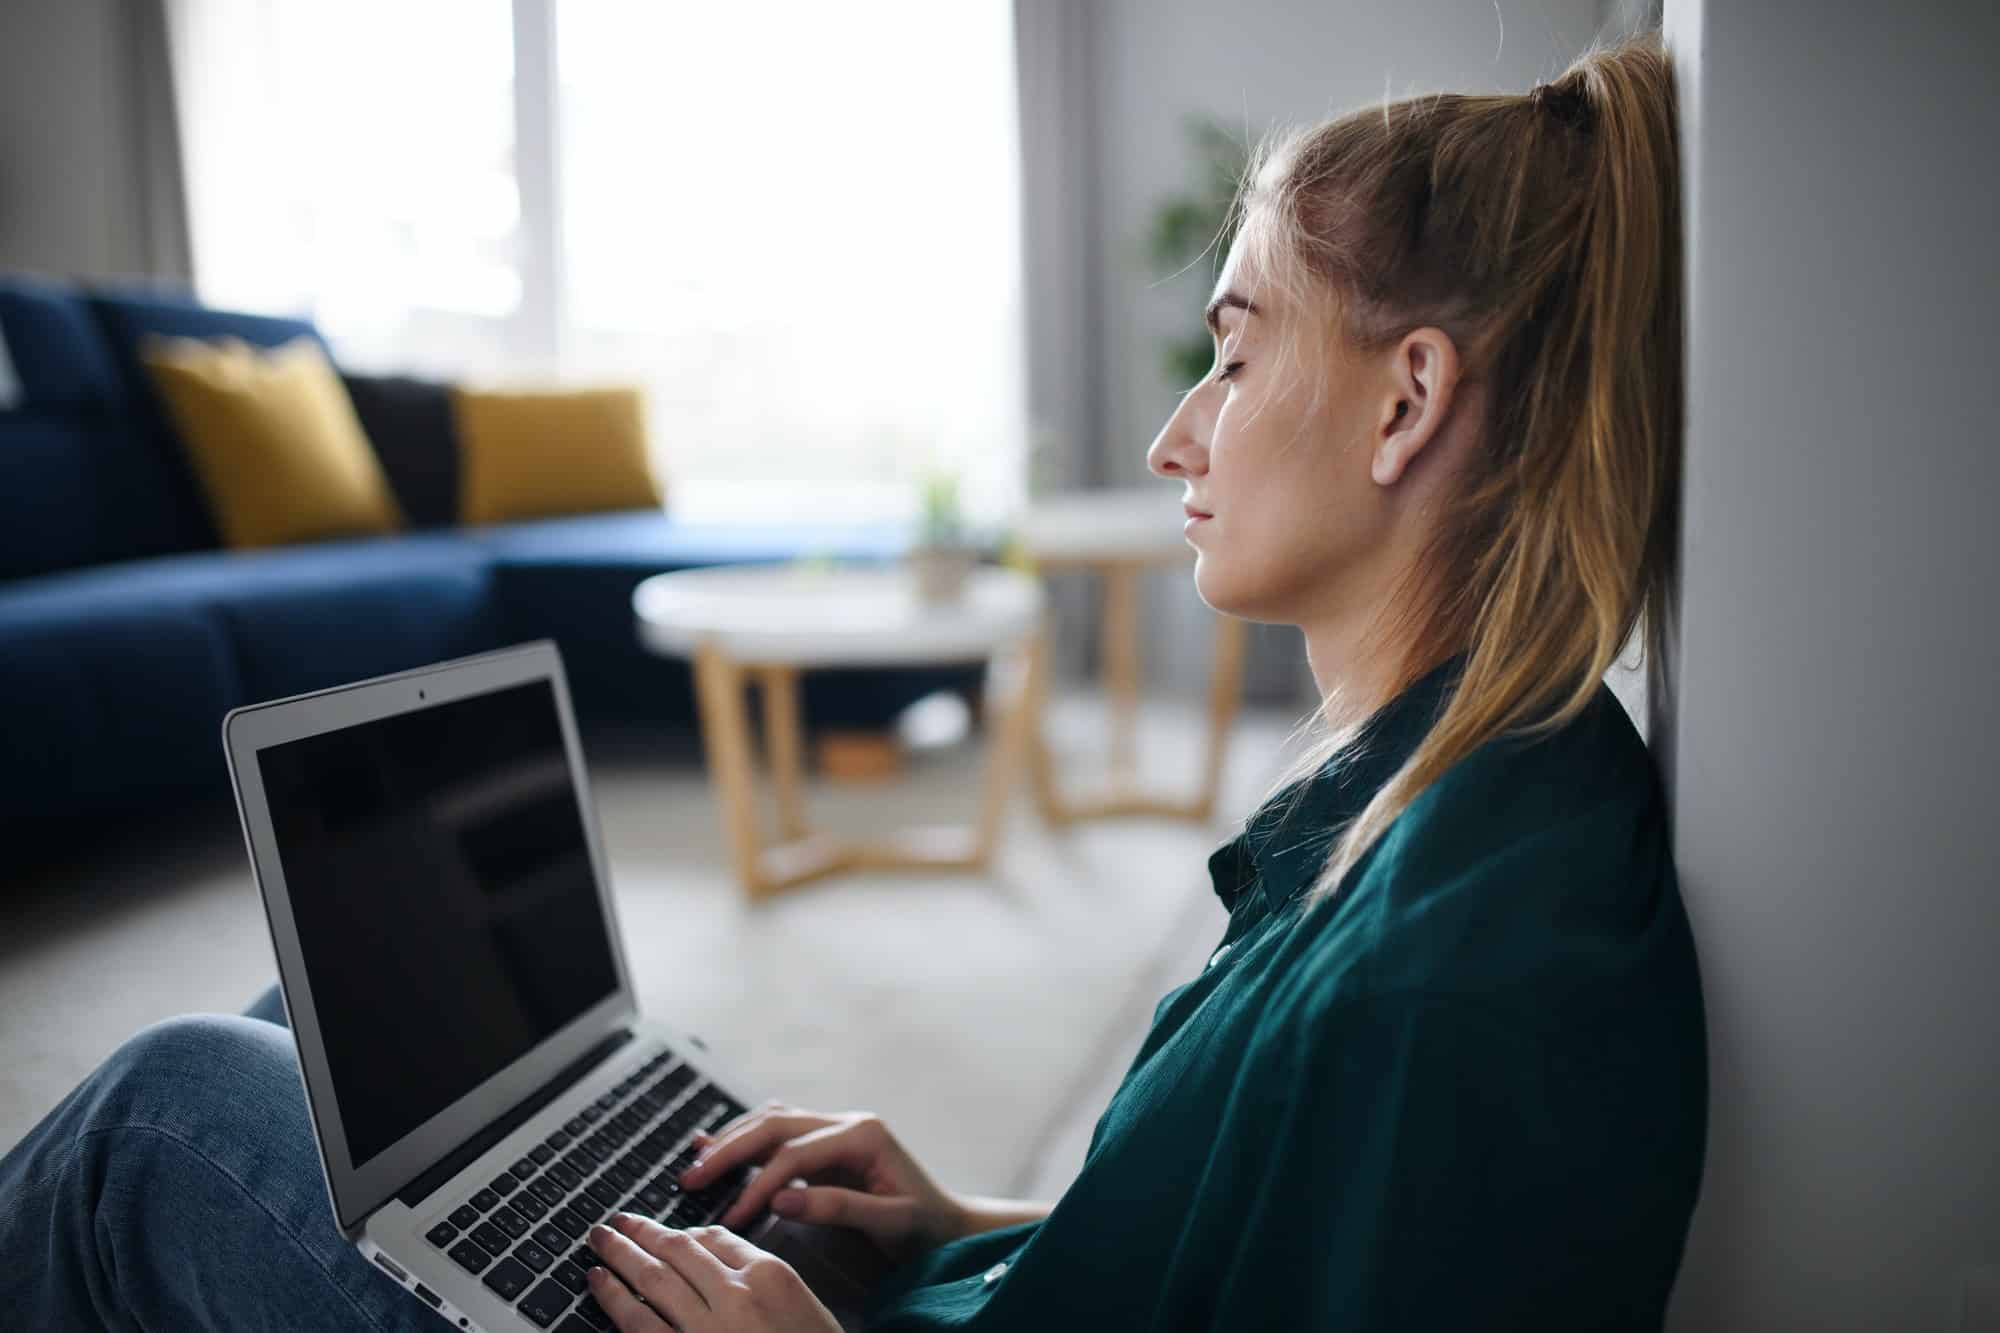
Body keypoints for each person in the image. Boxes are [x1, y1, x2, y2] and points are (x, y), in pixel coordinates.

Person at [0, 31, 1703, 1333]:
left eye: (1238, 353)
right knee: (319, 1039)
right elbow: (1226, 1248)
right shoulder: (1475, 808)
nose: (1175, 430)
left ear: (1408, 403)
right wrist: (971, 1227)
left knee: (166, 1107)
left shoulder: (1452, 981)